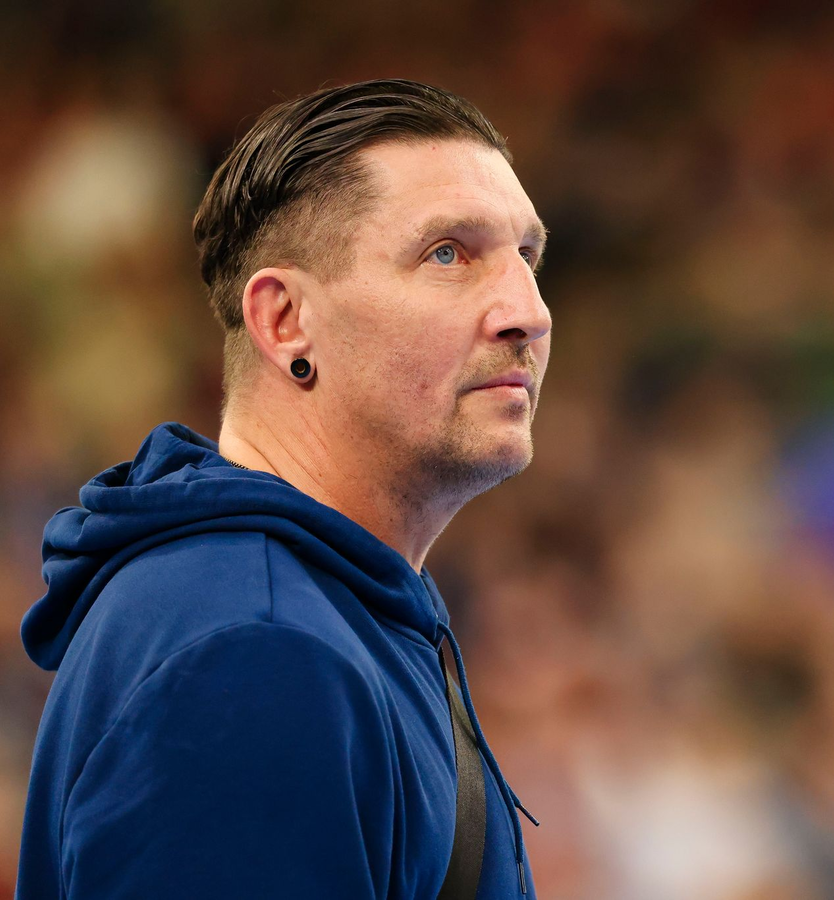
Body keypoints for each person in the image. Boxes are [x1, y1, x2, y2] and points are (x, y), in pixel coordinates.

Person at [16, 79, 551, 899]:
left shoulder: (321, 604)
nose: (528, 312)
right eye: (448, 253)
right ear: (285, 321)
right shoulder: (254, 649)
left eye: (527, 257)